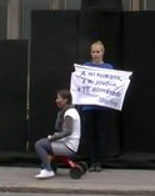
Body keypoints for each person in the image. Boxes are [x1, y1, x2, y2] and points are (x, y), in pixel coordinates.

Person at [33, 89, 81, 179]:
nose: (56, 101)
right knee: (44, 142)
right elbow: (60, 129)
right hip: (68, 144)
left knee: (39, 144)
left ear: (65, 100)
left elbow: (68, 131)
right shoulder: (68, 111)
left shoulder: (69, 113)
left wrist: (53, 138)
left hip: (68, 147)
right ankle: (48, 165)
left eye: (58, 98)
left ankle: (47, 170)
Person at [81, 40, 113, 172]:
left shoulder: (108, 68)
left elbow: (113, 85)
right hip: (88, 107)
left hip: (103, 107)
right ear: (90, 53)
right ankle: (91, 160)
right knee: (90, 134)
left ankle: (99, 161)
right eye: (93, 52)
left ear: (102, 53)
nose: (95, 54)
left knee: (101, 135)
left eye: (98, 52)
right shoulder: (85, 66)